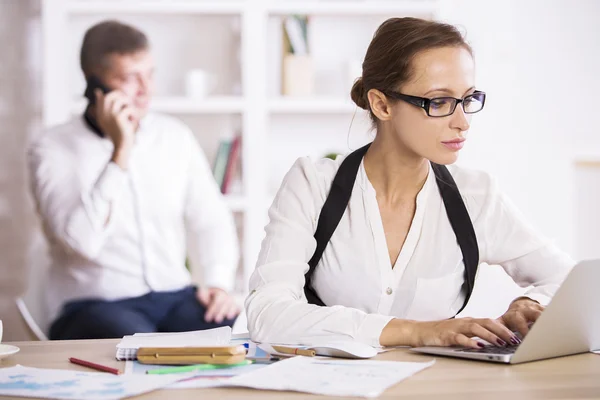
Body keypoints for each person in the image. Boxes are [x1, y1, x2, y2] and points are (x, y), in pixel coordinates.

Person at [245, 17, 575, 349]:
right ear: (381, 104)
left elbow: (570, 280)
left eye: (468, 99)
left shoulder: (476, 196)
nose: (462, 123)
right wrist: (418, 331)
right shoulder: (313, 185)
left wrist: (532, 303)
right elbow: (267, 314)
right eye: (439, 102)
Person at [28, 20, 240, 340]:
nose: (145, 90)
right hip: (94, 304)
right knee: (137, 349)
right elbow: (82, 244)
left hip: (174, 296)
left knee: (232, 334)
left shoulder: (174, 136)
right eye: (129, 78)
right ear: (93, 84)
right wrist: (120, 150)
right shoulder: (52, 147)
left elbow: (212, 220)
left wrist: (218, 283)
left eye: (149, 74)